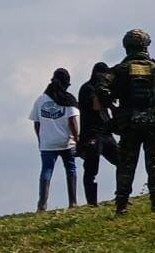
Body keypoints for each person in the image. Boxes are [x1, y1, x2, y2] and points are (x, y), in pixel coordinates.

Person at [97, 29, 155, 214]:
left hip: (130, 122)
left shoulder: (119, 70)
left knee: (126, 164)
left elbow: (101, 90)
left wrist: (113, 108)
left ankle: (122, 205)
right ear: (145, 46)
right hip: (154, 123)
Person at [29, 68, 80, 212]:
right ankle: (73, 202)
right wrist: (77, 138)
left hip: (47, 144)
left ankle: (42, 205)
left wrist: (41, 139)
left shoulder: (41, 100)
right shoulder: (68, 99)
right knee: (71, 169)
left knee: (46, 171)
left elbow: (36, 122)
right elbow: (72, 121)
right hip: (66, 142)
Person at [77, 62, 119, 207]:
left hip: (106, 132)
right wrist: (100, 91)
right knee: (91, 169)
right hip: (91, 133)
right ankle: (92, 202)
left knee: (122, 162)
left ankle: (121, 194)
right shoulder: (87, 88)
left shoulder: (103, 88)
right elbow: (96, 106)